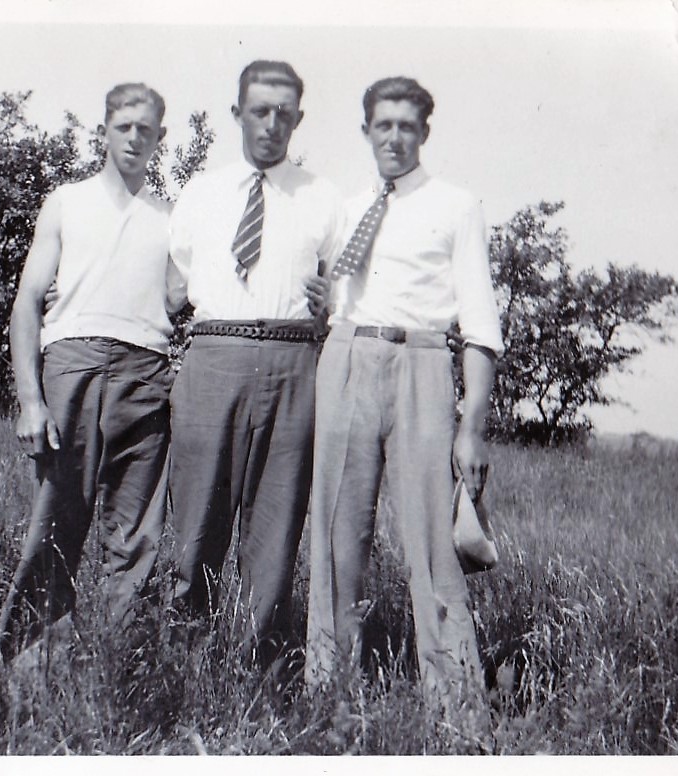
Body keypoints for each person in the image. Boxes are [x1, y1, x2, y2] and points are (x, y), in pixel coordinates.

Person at [304, 77, 504, 717]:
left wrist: (472, 427)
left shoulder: (456, 205)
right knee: (336, 537)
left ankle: (456, 709)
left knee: (432, 543)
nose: (394, 137)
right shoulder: (344, 208)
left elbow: (480, 324)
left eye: (406, 126)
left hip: (421, 363)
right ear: (366, 130)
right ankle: (330, 695)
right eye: (383, 125)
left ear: (424, 132)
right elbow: (325, 302)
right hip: (346, 357)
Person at [166, 60, 344, 667]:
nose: (272, 123)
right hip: (213, 357)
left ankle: (255, 673)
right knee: (196, 526)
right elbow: (170, 288)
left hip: (295, 364)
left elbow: (345, 293)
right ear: (237, 113)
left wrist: (333, 304)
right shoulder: (200, 193)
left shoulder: (324, 198)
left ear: (299, 118)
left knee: (274, 535)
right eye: (260, 111)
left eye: (284, 113)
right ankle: (186, 665)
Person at [0, 83, 175, 664]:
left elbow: (187, 295)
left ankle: (114, 671)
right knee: (56, 523)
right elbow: (27, 303)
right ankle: (28, 671)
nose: (134, 138)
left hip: (145, 374)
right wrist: (30, 400)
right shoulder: (66, 201)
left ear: (160, 138)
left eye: (145, 129)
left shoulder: (171, 218)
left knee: (136, 538)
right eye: (123, 127)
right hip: (72, 366)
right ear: (103, 132)